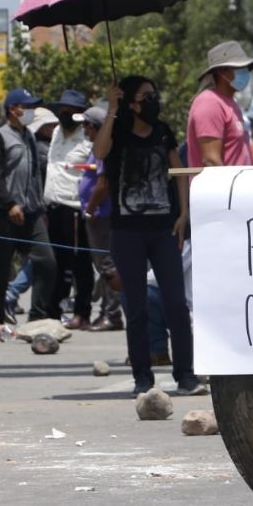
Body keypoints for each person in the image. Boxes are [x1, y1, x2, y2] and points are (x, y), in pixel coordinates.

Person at [94, 75, 206, 396]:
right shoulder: (116, 131)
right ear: (132, 102)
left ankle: (185, 374)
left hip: (163, 228)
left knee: (175, 303)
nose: (152, 99)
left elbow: (180, 173)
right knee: (137, 305)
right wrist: (112, 109)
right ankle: (142, 377)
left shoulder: (163, 132)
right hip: (127, 231)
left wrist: (184, 214)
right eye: (145, 95)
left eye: (154, 93)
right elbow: (100, 152)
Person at [0, 88, 57, 339]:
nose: (32, 112)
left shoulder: (30, 137)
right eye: (28, 107)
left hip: (32, 210)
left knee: (46, 261)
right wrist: (9, 203)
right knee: (1, 268)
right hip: (6, 213)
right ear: (14, 109)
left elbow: (35, 173)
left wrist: (40, 206)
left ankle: (37, 316)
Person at [43, 89, 95, 330]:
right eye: (62, 110)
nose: (65, 114)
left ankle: (82, 312)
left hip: (74, 206)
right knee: (57, 261)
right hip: (53, 205)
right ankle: (55, 309)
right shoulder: (56, 132)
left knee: (79, 263)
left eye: (71, 111)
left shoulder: (87, 138)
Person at [77, 107, 123, 331]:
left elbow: (103, 184)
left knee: (108, 266)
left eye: (86, 125)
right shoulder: (96, 148)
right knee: (103, 266)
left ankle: (112, 315)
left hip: (101, 216)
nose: (84, 130)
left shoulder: (103, 149)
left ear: (94, 126)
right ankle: (106, 311)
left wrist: (90, 208)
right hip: (99, 215)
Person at [186, 41, 253, 168]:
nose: (245, 72)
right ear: (222, 72)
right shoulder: (209, 103)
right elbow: (211, 160)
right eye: (239, 68)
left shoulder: (230, 103)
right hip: (221, 188)